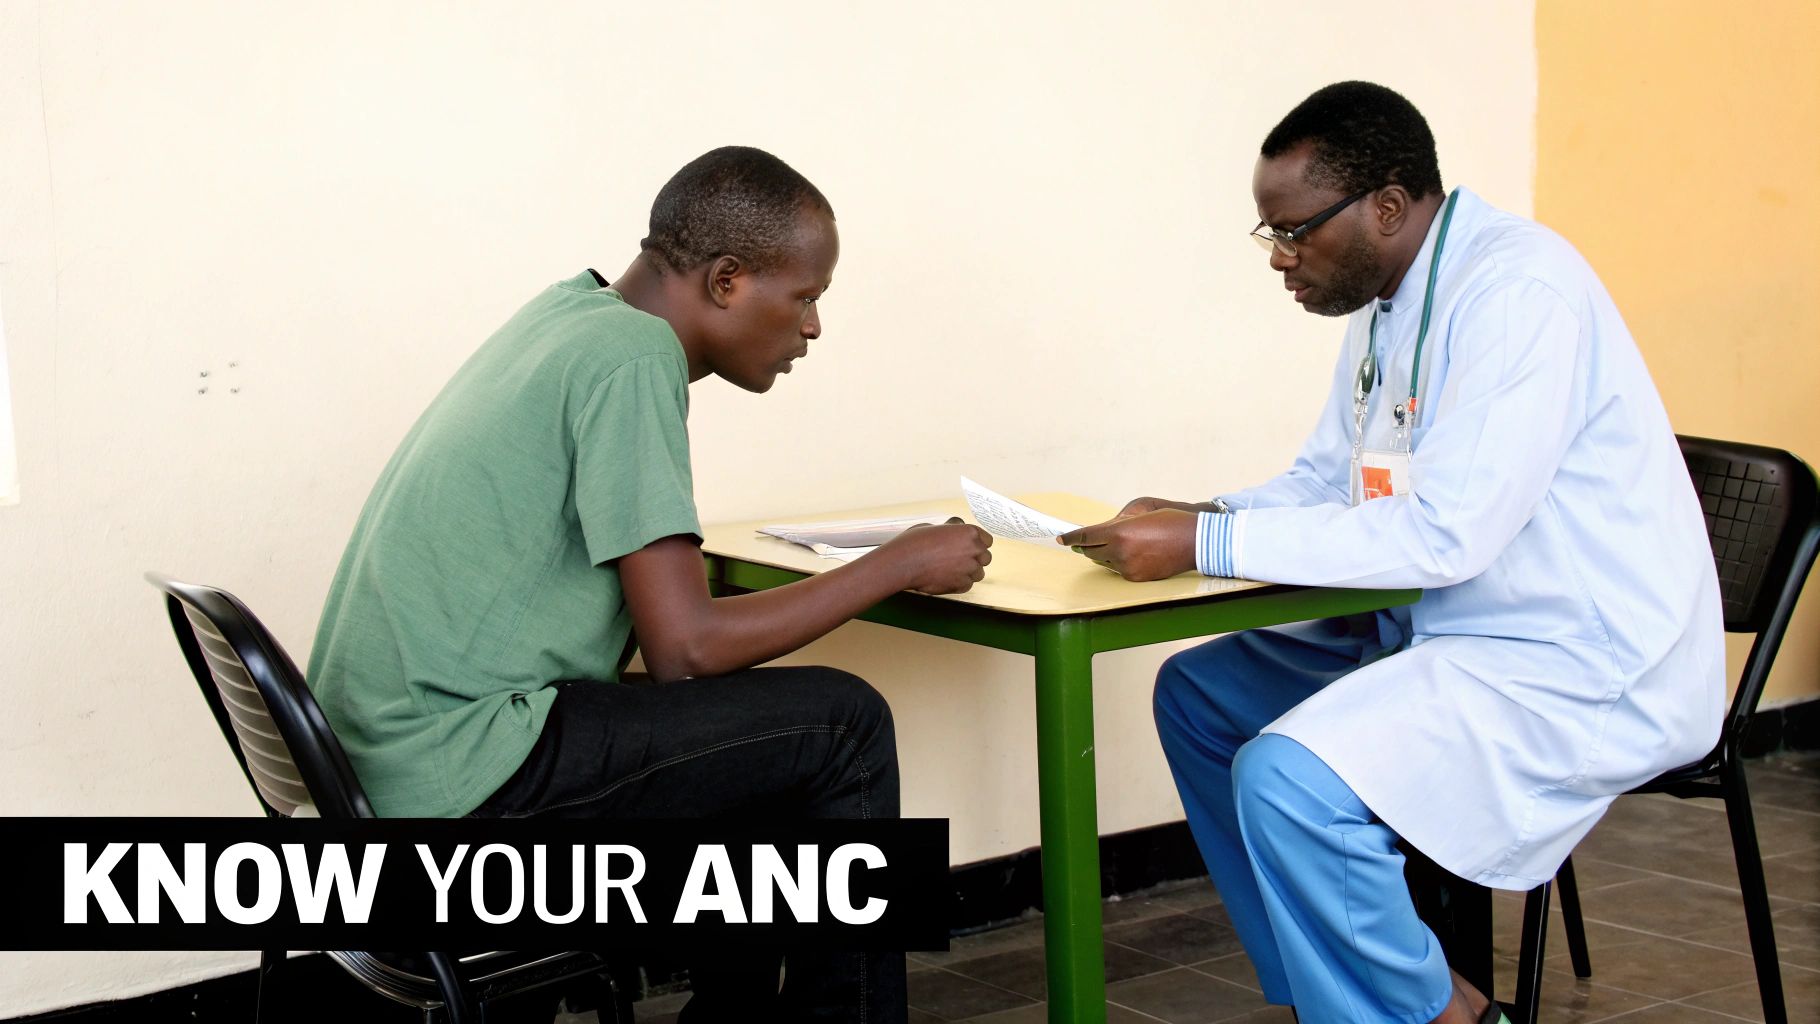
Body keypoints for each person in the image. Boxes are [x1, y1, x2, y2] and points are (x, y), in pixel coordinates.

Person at [1057, 82, 1722, 1023]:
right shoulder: (1390, 299)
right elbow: (1336, 483)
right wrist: (1207, 511)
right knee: (1199, 698)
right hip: (1446, 619)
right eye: (1269, 235)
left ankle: (1439, 1015)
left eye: (1293, 231)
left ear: (1387, 205)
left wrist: (1205, 539)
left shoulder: (1519, 292)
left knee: (1287, 781)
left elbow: (1448, 531)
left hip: (1577, 657)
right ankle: (1336, 992)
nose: (1281, 258)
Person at [307, 146, 993, 1023]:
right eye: (807, 297)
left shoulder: (572, 315)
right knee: (843, 724)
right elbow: (688, 650)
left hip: (385, 765)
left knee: (756, 741)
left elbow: (671, 634)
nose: (813, 328)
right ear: (727, 280)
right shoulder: (633, 359)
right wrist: (898, 563)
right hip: (456, 779)